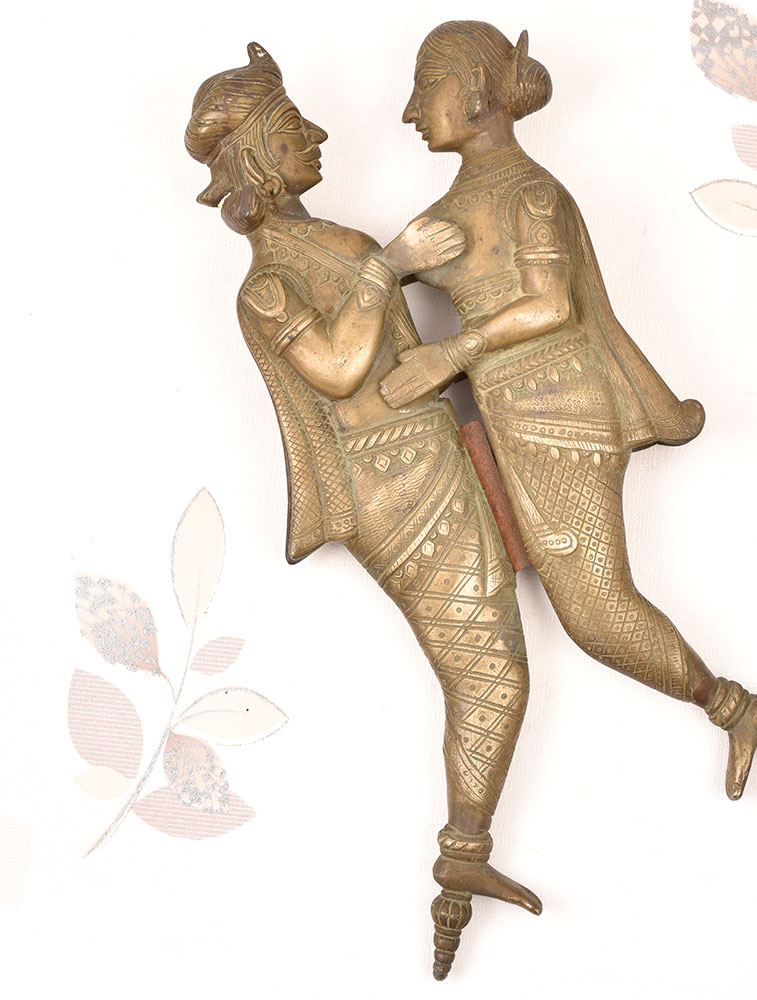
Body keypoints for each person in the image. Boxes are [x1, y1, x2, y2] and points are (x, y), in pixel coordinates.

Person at [380, 21, 757, 803]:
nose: (410, 111)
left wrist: (449, 353)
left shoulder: (531, 194)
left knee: (595, 614)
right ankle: (739, 712)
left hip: (557, 407)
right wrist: (383, 267)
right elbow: (377, 277)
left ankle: (739, 712)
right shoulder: (453, 209)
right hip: (511, 409)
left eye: (427, 87)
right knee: (581, 607)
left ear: (477, 89)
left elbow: (550, 304)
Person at [186, 44, 540, 979]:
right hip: (392, 487)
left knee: (498, 668)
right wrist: (394, 265)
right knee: (492, 677)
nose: (317, 134)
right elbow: (343, 371)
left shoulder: (334, 241)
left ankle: (464, 859)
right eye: (292, 129)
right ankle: (461, 863)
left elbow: (412, 327)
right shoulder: (266, 287)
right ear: (258, 157)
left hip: (436, 453)